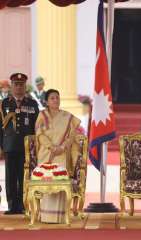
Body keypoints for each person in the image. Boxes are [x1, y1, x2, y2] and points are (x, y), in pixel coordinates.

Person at [35, 89, 81, 223]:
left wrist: (62, 147)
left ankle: (60, 216)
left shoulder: (67, 116)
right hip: (46, 153)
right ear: (47, 102)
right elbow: (39, 134)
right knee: (47, 180)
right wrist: (51, 147)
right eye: (52, 98)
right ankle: (45, 215)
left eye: (57, 97)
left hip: (62, 153)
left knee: (60, 179)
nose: (56, 100)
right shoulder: (42, 115)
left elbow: (72, 135)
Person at [0, 73, 39, 214]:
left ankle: (23, 205)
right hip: (9, 145)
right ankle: (12, 206)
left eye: (21, 84)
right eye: (16, 84)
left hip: (26, 147)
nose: (18, 87)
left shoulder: (32, 104)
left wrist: (35, 146)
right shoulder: (4, 103)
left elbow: (36, 126)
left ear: (25, 86)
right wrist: (1, 146)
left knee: (24, 177)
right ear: (11, 86)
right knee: (10, 177)